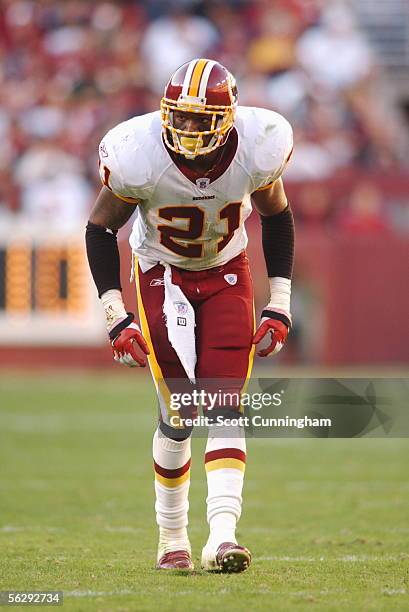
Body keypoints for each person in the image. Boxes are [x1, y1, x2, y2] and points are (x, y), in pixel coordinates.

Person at [85, 58, 295, 573]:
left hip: (227, 270)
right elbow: (98, 229)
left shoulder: (258, 144)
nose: (188, 128)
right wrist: (116, 314)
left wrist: (280, 302)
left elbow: (277, 215)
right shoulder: (139, 154)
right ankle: (172, 537)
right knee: (180, 414)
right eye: (180, 117)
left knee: (225, 402)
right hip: (163, 275)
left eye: (201, 120)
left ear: (227, 117)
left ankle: (222, 537)